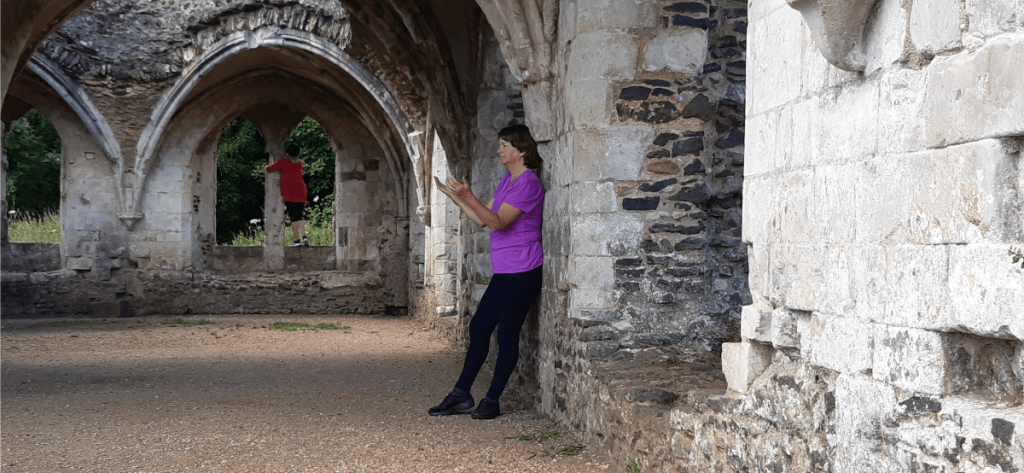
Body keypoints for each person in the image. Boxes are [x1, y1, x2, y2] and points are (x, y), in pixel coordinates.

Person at [428, 124, 545, 420]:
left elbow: (498, 222)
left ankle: (492, 400)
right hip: (506, 271)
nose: (499, 150)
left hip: (523, 269)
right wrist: (458, 198)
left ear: (521, 150)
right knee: (479, 328)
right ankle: (461, 395)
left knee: (506, 335)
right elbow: (482, 220)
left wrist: (470, 195)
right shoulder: (508, 181)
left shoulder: (528, 183)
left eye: (505, 145)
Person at [265, 142, 309, 247]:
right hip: (301, 191)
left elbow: (268, 168)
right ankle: (305, 236)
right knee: (299, 216)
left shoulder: (284, 162)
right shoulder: (300, 163)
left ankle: (297, 240)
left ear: (287, 153)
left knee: (293, 217)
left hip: (290, 192)